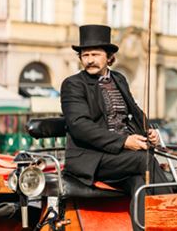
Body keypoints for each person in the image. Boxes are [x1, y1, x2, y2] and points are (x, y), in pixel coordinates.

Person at [60, 25, 171, 231]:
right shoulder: (73, 84)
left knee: (140, 183)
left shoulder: (119, 79)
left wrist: (149, 131)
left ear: (109, 57)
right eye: (85, 55)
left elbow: (134, 110)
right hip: (92, 158)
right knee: (144, 159)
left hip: (121, 159)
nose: (90, 60)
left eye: (95, 54)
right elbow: (80, 126)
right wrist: (124, 142)